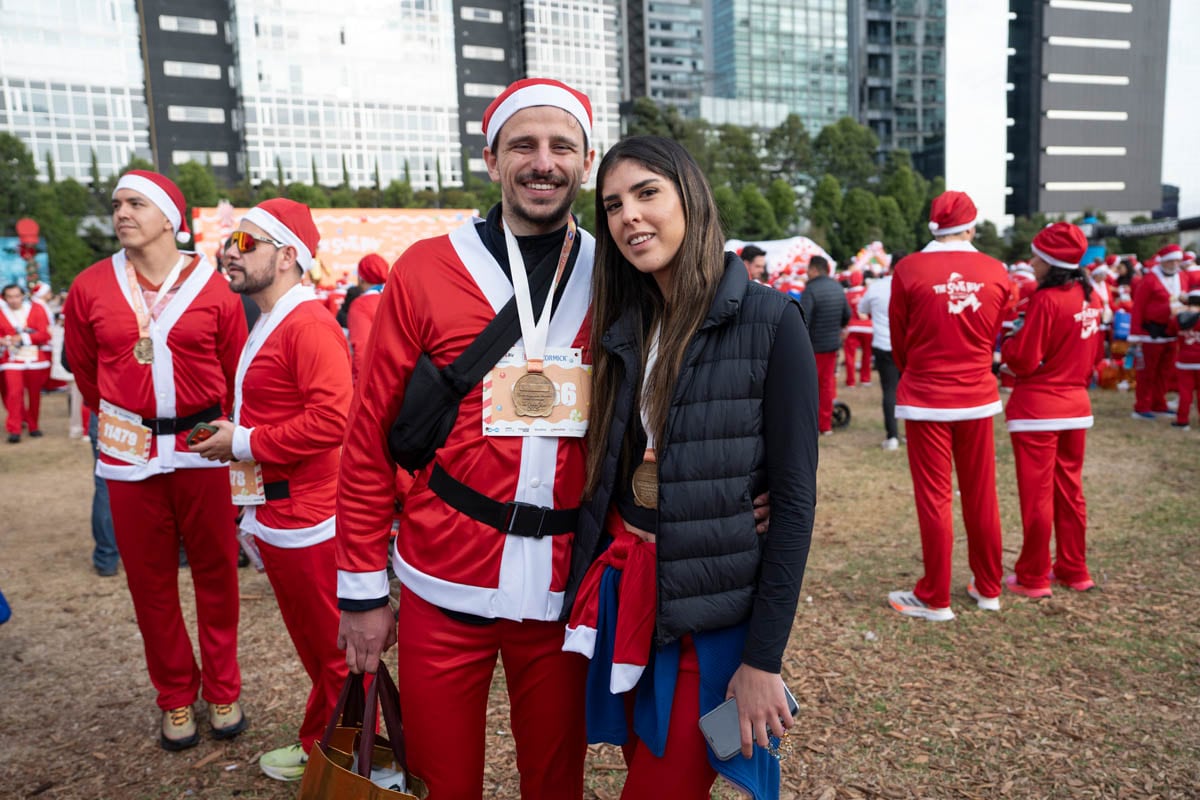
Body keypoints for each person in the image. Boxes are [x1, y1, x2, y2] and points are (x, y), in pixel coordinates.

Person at [565, 135, 816, 799]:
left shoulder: (771, 320)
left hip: (718, 632)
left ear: (691, 199)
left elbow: (793, 504)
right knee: (647, 764)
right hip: (631, 603)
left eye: (647, 193)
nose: (629, 217)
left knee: (672, 780)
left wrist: (762, 662)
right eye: (613, 204)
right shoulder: (623, 324)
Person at [63, 170, 248, 750]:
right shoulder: (89, 286)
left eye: (136, 203)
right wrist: (127, 419)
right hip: (128, 454)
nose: (122, 212)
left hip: (203, 448)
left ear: (169, 217)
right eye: (117, 203)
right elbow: (87, 372)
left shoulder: (215, 286)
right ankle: (174, 696)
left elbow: (236, 364)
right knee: (150, 581)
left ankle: (222, 687)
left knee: (217, 573)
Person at [191, 198, 352, 780]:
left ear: (287, 256)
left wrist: (242, 441)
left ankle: (348, 765)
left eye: (244, 244)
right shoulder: (280, 320)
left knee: (333, 652)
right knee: (320, 650)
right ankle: (323, 746)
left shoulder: (308, 325)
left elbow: (334, 422)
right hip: (284, 511)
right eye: (229, 242)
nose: (228, 253)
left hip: (309, 516)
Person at [886, 190, 1011, 622]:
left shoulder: (908, 268)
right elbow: (995, 331)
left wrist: (915, 370)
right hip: (977, 395)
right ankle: (989, 588)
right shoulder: (997, 271)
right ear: (971, 226)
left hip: (925, 397)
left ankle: (936, 597)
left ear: (933, 225)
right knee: (982, 494)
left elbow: (899, 339)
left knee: (935, 498)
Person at [1000, 223, 1103, 598]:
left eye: (1036, 256)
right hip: (1076, 406)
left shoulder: (1046, 300)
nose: (1031, 262)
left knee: (1038, 496)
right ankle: (1075, 569)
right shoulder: (1092, 296)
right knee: (1070, 492)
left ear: (1050, 262)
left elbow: (1024, 359)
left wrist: (1007, 349)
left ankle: (1034, 576)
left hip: (1038, 410)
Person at [1129, 243, 1186, 419]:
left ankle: (1158, 403)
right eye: (1172, 261)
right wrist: (1135, 332)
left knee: (1165, 372)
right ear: (1164, 262)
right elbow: (1138, 306)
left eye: (1178, 261)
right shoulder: (1150, 280)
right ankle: (1142, 406)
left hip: (1172, 332)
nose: (1176, 264)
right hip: (1150, 333)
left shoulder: (1181, 277)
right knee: (1147, 373)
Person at [800, 255, 850, 435]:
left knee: (808, 386)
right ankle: (825, 425)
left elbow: (803, 319)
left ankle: (809, 424)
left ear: (814, 269)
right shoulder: (838, 287)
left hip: (812, 347)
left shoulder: (810, 289)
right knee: (827, 385)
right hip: (831, 345)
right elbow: (847, 314)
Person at [1, 283, 53, 442]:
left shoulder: (37, 309)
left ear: (23, 295)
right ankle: (14, 429)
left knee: (34, 395)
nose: (13, 300)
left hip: (35, 359)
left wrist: (23, 338)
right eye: (9, 296)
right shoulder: (1, 312)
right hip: (11, 359)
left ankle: (33, 425)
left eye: (16, 296)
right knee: (14, 394)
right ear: (4, 298)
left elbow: (45, 334)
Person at [858, 260, 899, 449]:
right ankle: (901, 433)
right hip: (906, 345)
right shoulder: (912, 284)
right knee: (908, 390)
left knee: (889, 390)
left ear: (890, 267)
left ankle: (893, 436)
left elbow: (862, 309)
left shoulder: (876, 287)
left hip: (883, 344)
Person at [347, 253, 389, 383]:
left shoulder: (361, 305)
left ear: (361, 278)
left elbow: (361, 350)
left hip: (374, 381)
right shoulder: (397, 298)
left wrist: (358, 386)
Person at [1173, 289, 1200, 430]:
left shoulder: (1179, 316)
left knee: (1185, 393)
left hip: (1184, 360)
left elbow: (1171, 330)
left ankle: (1182, 421)